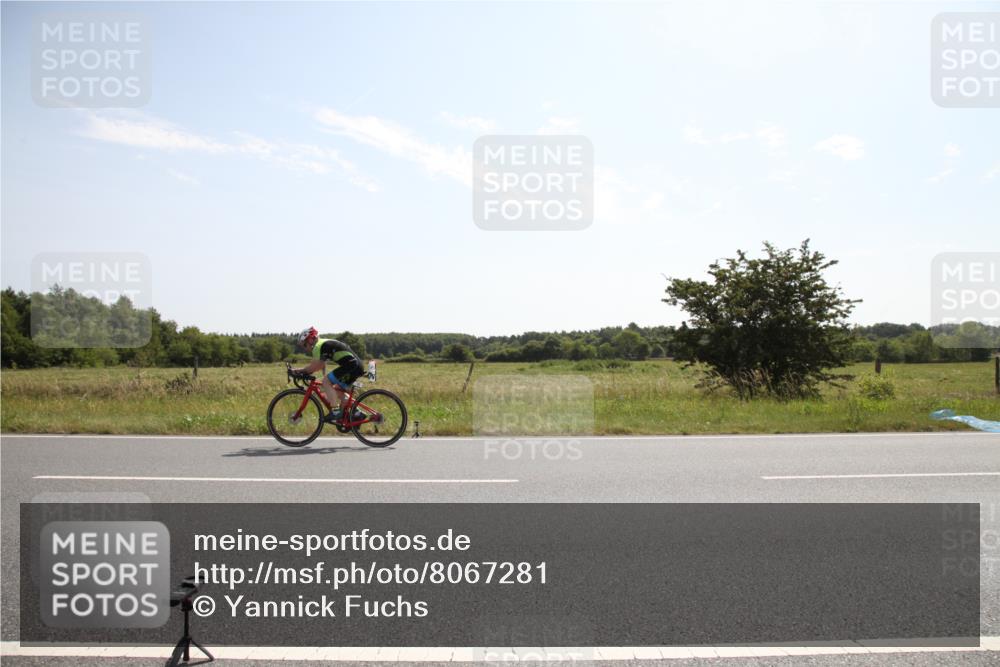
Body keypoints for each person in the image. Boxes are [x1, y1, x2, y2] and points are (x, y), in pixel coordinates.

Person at [292, 327, 364, 422]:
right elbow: (319, 365)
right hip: (355, 365)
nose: (305, 348)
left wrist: (300, 371)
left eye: (304, 345)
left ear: (310, 339)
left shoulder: (318, 346)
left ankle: (335, 411)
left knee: (326, 381)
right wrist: (306, 371)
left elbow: (316, 366)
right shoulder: (322, 344)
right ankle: (357, 413)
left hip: (351, 365)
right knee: (338, 390)